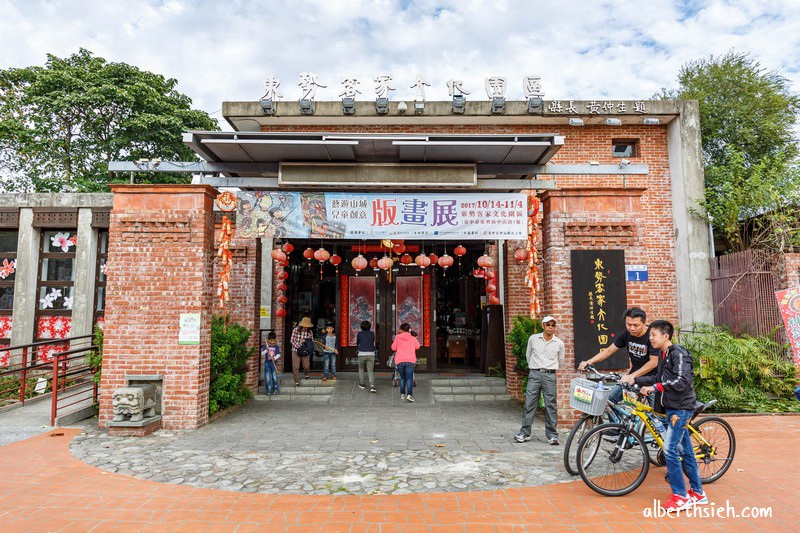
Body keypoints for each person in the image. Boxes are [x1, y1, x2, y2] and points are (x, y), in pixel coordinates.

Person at [627, 320, 708, 512]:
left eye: (654, 335)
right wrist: (635, 380)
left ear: (666, 336)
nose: (651, 338)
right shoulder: (664, 354)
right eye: (651, 335)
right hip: (670, 407)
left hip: (681, 408)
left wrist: (655, 387)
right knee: (685, 451)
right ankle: (698, 493)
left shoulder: (679, 353)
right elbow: (657, 379)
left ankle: (680, 495)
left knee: (670, 450)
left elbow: (682, 381)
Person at [578, 307, 658, 404]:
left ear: (644, 323)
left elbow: (654, 362)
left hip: (652, 379)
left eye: (636, 325)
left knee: (656, 415)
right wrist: (589, 361)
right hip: (633, 377)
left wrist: (632, 376)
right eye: (628, 324)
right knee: (610, 399)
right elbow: (608, 350)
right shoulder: (626, 334)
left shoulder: (652, 336)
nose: (631, 328)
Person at [515, 316, 565, 445]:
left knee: (551, 405)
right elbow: (528, 355)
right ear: (543, 325)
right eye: (548, 324)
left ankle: (552, 435)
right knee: (530, 403)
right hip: (535, 373)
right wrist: (535, 368)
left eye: (553, 325)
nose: (550, 327)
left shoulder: (559, 343)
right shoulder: (533, 339)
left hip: (550, 375)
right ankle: (524, 433)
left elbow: (561, 360)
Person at [392, 322, 420, 402]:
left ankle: (402, 394)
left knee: (402, 378)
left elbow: (393, 348)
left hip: (400, 361)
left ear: (402, 330)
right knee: (409, 378)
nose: (399, 331)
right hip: (410, 361)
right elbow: (417, 347)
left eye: (400, 329)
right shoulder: (413, 337)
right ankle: (409, 395)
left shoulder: (397, 338)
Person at [290, 317, 314, 386]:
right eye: (305, 325)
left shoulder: (310, 332)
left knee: (306, 366)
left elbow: (310, 341)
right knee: (296, 366)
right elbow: (292, 340)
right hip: (295, 349)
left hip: (305, 350)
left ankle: (306, 374)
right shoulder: (296, 330)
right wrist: (298, 346)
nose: (306, 327)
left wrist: (307, 343)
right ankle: (296, 380)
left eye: (308, 326)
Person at [356, 320, 377, 393]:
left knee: (361, 368)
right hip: (371, 353)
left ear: (361, 327)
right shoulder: (372, 334)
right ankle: (372, 386)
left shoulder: (359, 333)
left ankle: (362, 384)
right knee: (370, 370)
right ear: (369, 327)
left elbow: (358, 342)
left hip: (361, 353)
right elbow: (372, 341)